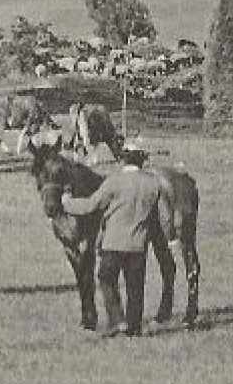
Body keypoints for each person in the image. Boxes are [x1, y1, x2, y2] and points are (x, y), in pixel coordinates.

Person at [60, 139, 181, 337]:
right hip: (138, 245)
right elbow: (165, 215)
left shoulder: (113, 181)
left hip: (112, 243)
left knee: (106, 279)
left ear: (124, 160)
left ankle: (117, 319)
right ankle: (134, 327)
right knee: (135, 287)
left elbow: (91, 205)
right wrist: (171, 238)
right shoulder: (153, 183)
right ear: (142, 160)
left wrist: (67, 203)